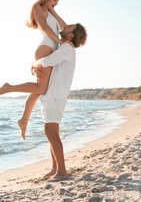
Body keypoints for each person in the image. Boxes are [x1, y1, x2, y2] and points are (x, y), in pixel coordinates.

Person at [0, 0, 66, 140]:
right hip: (45, 49)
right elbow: (45, 28)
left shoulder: (50, 12)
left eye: (58, 1)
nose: (56, 3)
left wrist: (53, 11)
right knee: (40, 87)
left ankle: (24, 120)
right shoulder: (37, 7)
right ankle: (9, 88)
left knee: (39, 90)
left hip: (51, 51)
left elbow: (64, 27)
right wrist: (59, 41)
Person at [32, 23, 87, 181]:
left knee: (50, 131)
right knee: (52, 132)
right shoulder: (67, 48)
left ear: (71, 36)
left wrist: (33, 64)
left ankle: (62, 171)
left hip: (55, 95)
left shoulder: (67, 48)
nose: (65, 25)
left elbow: (46, 61)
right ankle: (55, 168)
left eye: (69, 27)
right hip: (55, 94)